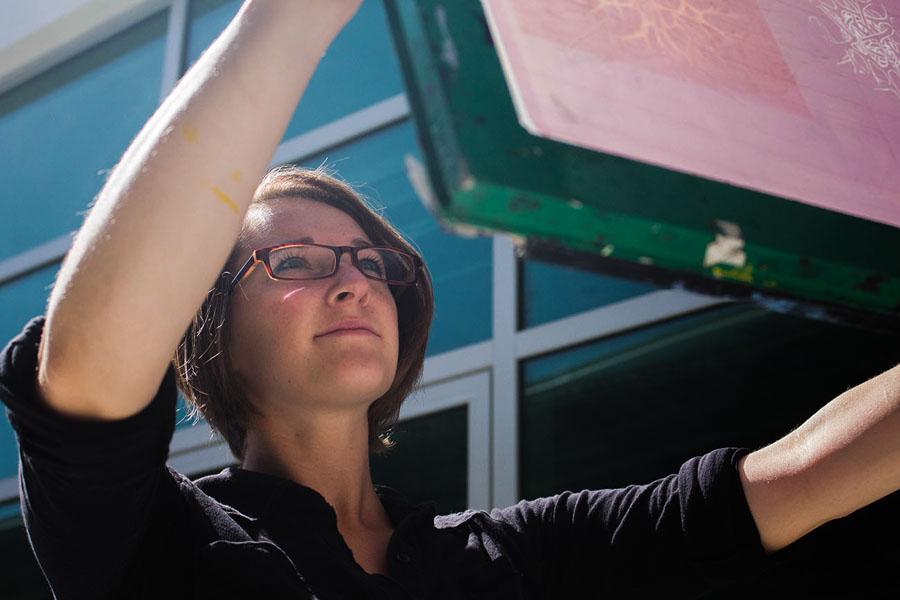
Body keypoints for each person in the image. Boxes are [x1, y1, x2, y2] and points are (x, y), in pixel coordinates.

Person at [0, 1, 898, 598]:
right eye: (299, 262)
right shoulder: (155, 545)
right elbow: (83, 371)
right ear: (208, 334)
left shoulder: (519, 555)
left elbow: (792, 480)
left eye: (369, 261)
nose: (354, 279)